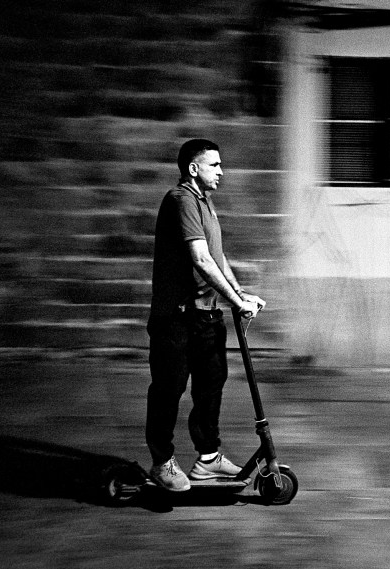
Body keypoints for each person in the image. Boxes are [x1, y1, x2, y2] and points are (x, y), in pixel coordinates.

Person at [145, 139, 265, 491]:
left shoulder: (205, 205)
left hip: (207, 316)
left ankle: (208, 459)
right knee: (170, 388)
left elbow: (217, 258)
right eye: (214, 165)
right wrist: (235, 301)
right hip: (176, 318)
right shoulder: (180, 200)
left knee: (211, 384)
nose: (221, 171)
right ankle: (162, 462)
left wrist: (239, 294)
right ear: (193, 169)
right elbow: (199, 259)